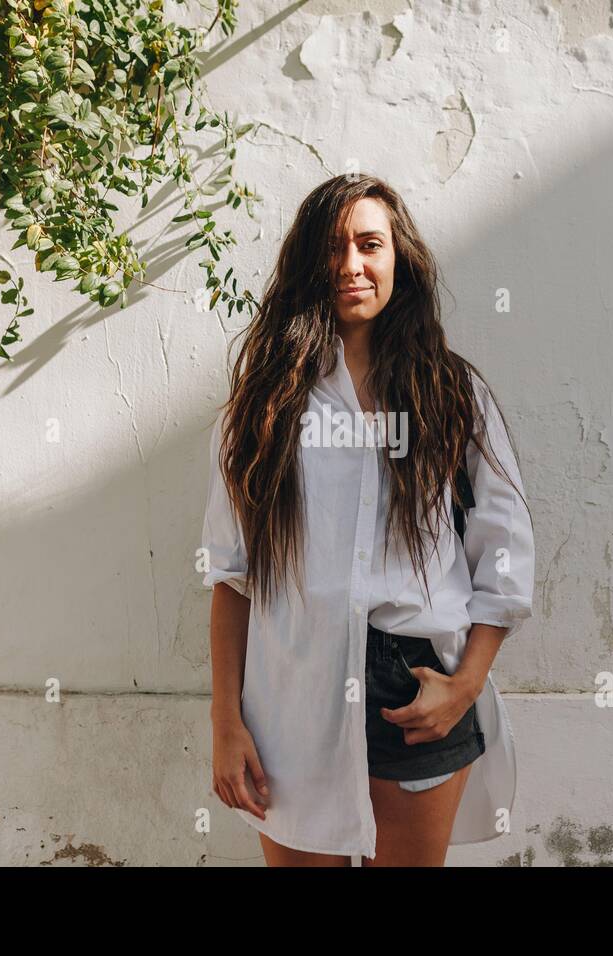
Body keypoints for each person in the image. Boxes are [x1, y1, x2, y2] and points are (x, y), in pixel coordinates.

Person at [202, 173, 536, 866]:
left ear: (398, 260)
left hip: (416, 682)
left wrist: (467, 683)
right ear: (307, 264)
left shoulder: (451, 393)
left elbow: (503, 549)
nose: (350, 266)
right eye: (332, 248)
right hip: (293, 691)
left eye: (369, 244)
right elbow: (231, 577)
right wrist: (225, 721)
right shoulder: (262, 408)